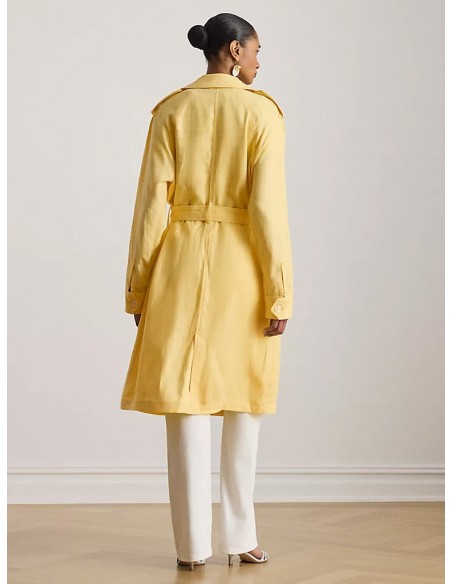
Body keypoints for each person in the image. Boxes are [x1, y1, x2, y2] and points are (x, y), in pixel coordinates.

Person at [120, 12, 294, 570]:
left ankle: (191, 547)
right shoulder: (262, 112)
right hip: (243, 268)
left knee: (185, 403)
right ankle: (241, 537)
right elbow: (269, 211)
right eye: (257, 50)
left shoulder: (171, 110)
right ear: (235, 50)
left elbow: (150, 208)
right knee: (244, 401)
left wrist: (139, 290)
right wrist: (280, 293)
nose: (261, 61)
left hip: (178, 265)